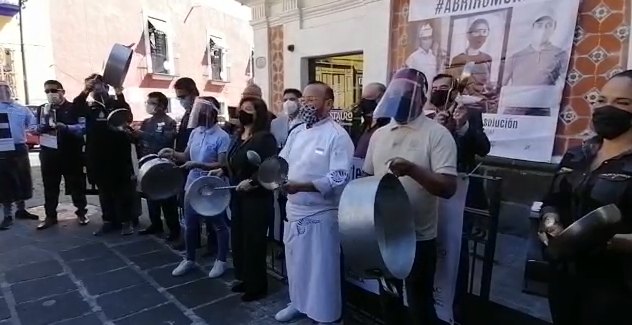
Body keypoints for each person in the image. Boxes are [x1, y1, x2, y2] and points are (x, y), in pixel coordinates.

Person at [363, 68, 458, 325]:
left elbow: (448, 188)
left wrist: (413, 170)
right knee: (389, 298)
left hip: (419, 238)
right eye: (396, 91)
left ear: (421, 96)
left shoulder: (437, 134)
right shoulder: (379, 135)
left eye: (408, 92)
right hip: (385, 234)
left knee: (419, 305)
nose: (400, 97)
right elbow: (367, 178)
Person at [538, 70, 632, 325]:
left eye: (622, 103)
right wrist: (550, 223)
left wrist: (604, 241)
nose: (606, 108)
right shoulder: (576, 155)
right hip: (564, 280)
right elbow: (552, 199)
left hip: (617, 290)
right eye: (601, 100)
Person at [275, 81, 354, 324]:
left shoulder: (338, 136)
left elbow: (339, 176)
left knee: (321, 269)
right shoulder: (297, 131)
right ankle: (298, 303)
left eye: (312, 99)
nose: (305, 104)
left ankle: (327, 315)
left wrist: (304, 186)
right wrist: (277, 178)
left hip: (321, 212)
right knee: (296, 263)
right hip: (294, 208)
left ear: (328, 104)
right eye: (304, 99)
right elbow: (282, 162)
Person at [426, 74, 491, 323]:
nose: (439, 91)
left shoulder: (470, 115)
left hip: (458, 195)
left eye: (445, 88)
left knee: (456, 252)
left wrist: (462, 127)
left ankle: (454, 309)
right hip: (428, 193)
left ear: (454, 92)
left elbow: (483, 149)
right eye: (436, 88)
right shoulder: (423, 115)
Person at [160, 96, 231, 278]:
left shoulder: (222, 136)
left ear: (211, 112)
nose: (197, 114)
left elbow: (222, 165)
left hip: (211, 184)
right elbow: (185, 155)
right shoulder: (195, 132)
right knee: (190, 224)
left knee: (218, 224)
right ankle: (189, 259)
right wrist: (172, 153)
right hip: (192, 183)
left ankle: (221, 260)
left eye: (201, 111)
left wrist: (199, 165)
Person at [221, 96, 277, 301]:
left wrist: (253, 181)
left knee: (254, 241)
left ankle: (257, 285)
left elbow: (270, 166)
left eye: (248, 109)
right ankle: (244, 278)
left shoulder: (264, 138)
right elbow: (233, 161)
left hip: (257, 198)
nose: (243, 112)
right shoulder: (237, 135)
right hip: (238, 195)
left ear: (258, 114)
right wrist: (222, 171)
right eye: (242, 108)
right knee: (239, 238)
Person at [75, 74, 137, 236]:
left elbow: (127, 115)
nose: (96, 87)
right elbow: (75, 108)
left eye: (99, 84)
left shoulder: (115, 102)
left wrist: (119, 93)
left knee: (122, 190)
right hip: (97, 155)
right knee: (104, 191)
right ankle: (108, 221)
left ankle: (126, 222)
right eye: (92, 85)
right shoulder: (90, 106)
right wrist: (85, 90)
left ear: (106, 86)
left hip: (118, 154)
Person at [36, 80, 89, 230]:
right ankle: (50, 216)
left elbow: (82, 128)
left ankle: (81, 212)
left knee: (76, 184)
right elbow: (33, 128)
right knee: (50, 186)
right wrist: (40, 128)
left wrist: (66, 128)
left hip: (70, 152)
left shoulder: (73, 108)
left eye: (53, 90)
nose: (50, 94)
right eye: (47, 91)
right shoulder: (42, 109)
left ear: (62, 91)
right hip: (49, 153)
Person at [501, 11, 567, 116]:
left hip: (540, 109)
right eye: (539, 26)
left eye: (548, 26)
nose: (543, 30)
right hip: (515, 109)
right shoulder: (517, 56)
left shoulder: (559, 54)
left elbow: (564, 83)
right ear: (533, 27)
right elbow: (501, 84)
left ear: (554, 28)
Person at [137, 91, 180, 240]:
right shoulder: (146, 122)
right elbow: (140, 141)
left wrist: (143, 135)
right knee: (151, 197)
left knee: (167, 199)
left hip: (163, 166)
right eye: (148, 102)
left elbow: (164, 141)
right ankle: (155, 224)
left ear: (162, 106)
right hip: (147, 164)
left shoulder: (169, 122)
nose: (149, 106)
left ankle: (174, 229)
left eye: (152, 103)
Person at [0, 81, 37, 230]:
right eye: (0, 89)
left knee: (22, 178)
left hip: (19, 147)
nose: (3, 91)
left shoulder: (21, 109)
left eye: (6, 88)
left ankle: (21, 210)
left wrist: (39, 129)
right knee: (4, 182)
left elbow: (32, 125)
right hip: (1, 149)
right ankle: (7, 214)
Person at [448, 19, 494, 105]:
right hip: (462, 104)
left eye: (484, 32)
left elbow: (487, 85)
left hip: (482, 104)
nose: (480, 36)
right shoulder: (458, 59)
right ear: (469, 35)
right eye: (476, 32)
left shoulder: (487, 58)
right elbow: (454, 87)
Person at [353, 82, 389, 158]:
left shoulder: (388, 126)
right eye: (363, 99)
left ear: (382, 99)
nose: (364, 104)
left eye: (369, 99)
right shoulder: (364, 125)